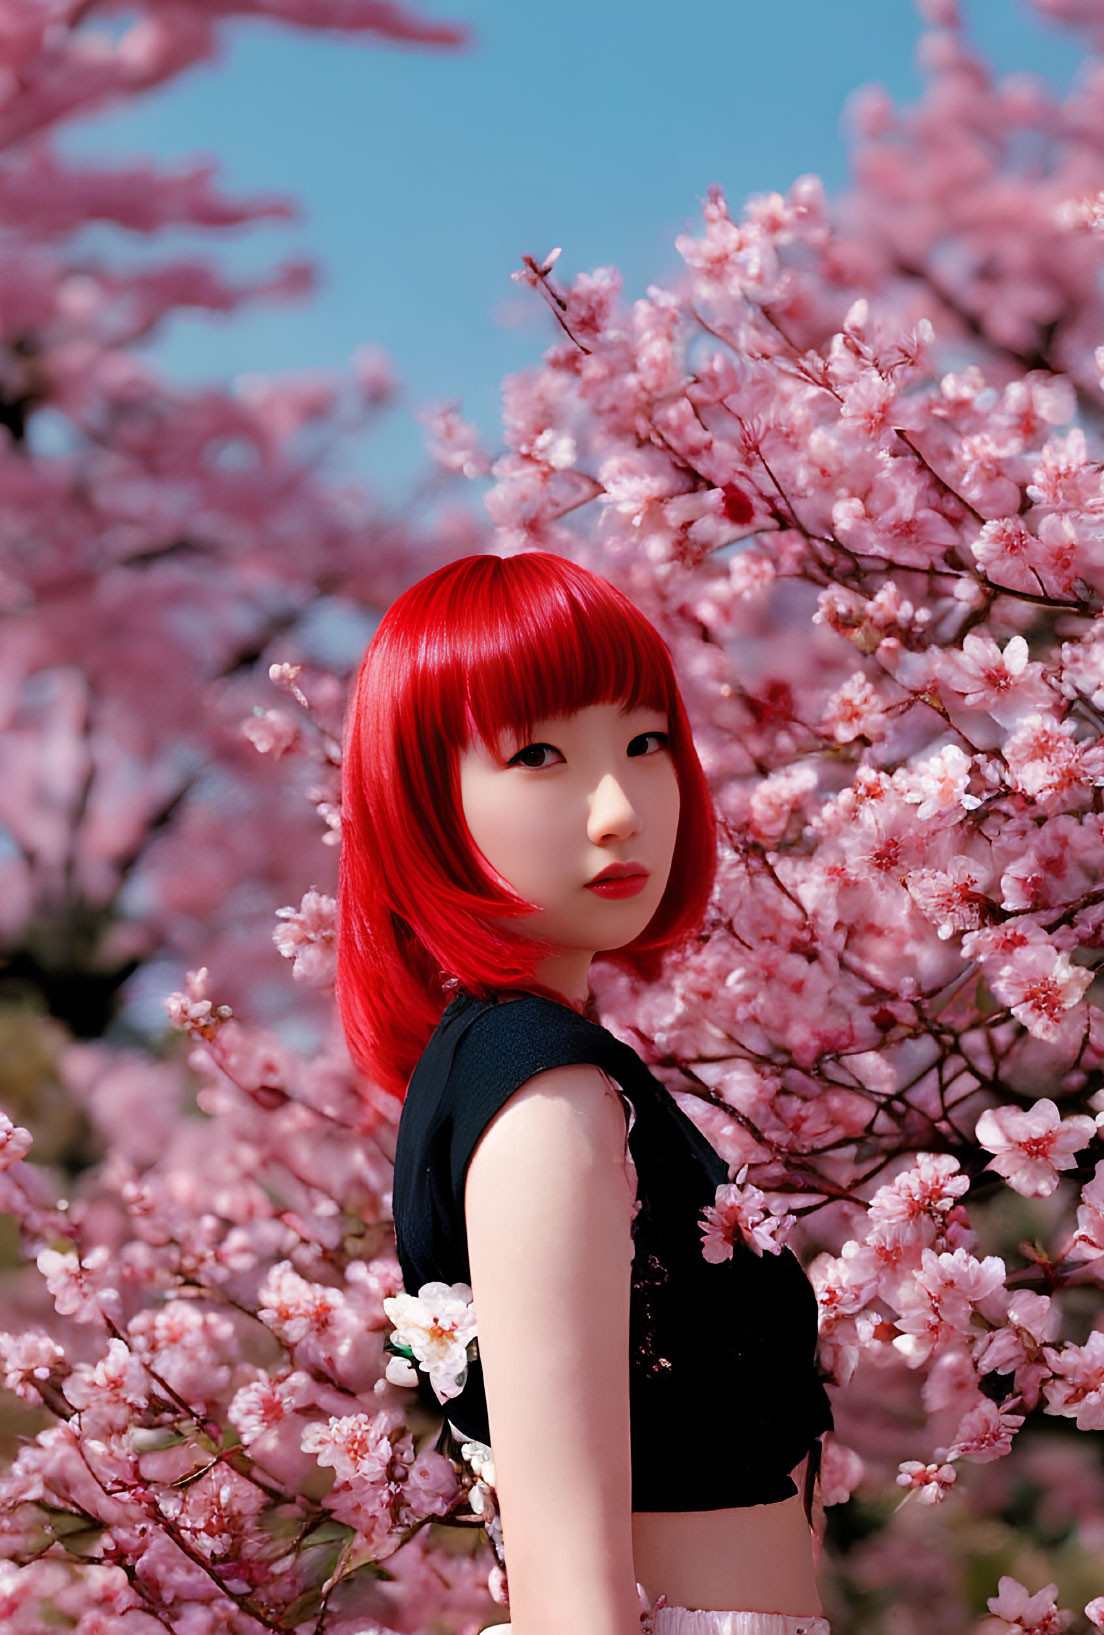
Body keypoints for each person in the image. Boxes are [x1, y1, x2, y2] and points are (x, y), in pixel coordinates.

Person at [336, 552, 834, 1635]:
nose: (617, 809)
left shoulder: (515, 1066)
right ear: (426, 799)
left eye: (645, 743)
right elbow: (570, 1591)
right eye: (540, 755)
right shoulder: (546, 1094)